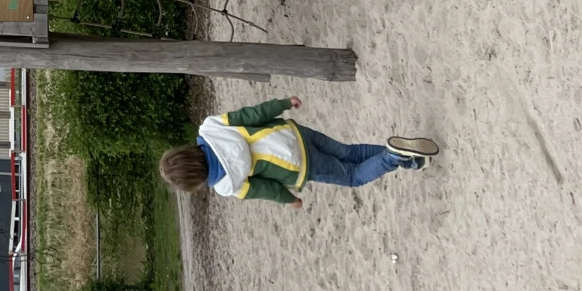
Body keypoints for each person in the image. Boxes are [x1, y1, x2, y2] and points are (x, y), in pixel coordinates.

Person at [157, 96, 438, 208]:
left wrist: (290, 200)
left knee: (352, 176)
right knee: (350, 152)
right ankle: (408, 157)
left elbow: (266, 189)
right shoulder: (211, 128)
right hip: (294, 134)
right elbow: (252, 114)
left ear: (194, 181)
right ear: (187, 152)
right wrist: (283, 103)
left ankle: (393, 157)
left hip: (299, 165)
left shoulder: (227, 186)